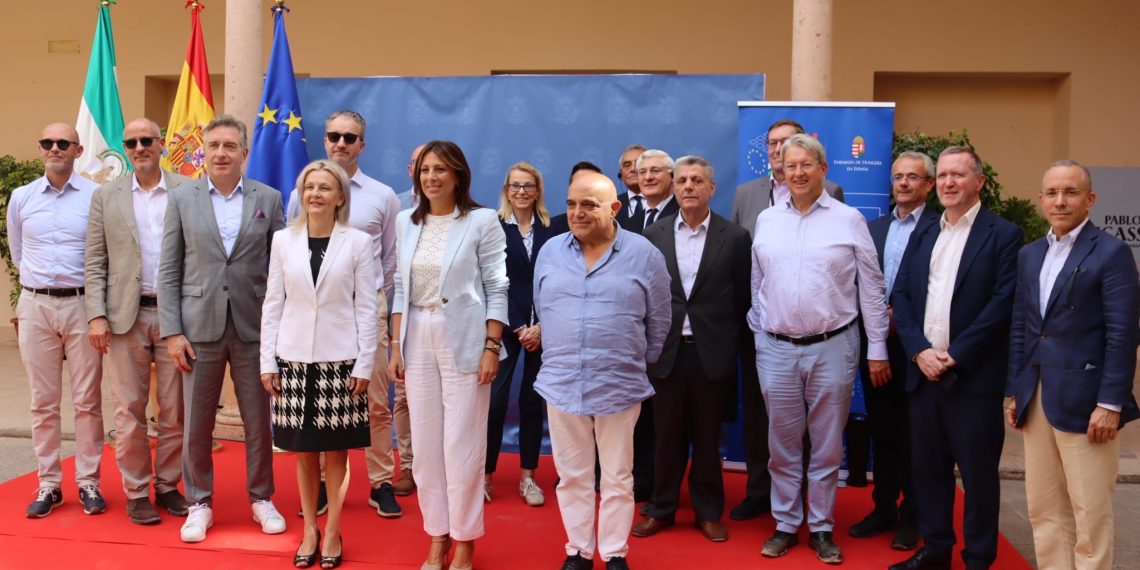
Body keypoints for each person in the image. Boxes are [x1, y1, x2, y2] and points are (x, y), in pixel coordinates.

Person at [749, 134, 889, 564]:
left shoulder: (849, 219)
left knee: (828, 445)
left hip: (833, 346)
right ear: (781, 171)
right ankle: (787, 523)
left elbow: (871, 284)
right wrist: (760, 327)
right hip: (775, 348)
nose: (798, 173)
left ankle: (823, 527)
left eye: (806, 165)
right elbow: (758, 281)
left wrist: (878, 346)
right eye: (790, 166)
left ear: (823, 169)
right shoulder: (768, 220)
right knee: (783, 443)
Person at [889, 146, 1022, 570]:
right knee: (928, 471)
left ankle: (979, 558)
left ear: (978, 183)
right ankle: (936, 551)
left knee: (979, 478)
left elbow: (1002, 303)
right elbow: (902, 296)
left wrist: (955, 355)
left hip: (973, 380)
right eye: (943, 175)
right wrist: (919, 351)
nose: (948, 182)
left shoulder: (1003, 234)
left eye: (958, 175)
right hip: (923, 375)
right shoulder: (924, 232)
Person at [158, 114, 287, 543]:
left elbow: (281, 268)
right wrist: (173, 331)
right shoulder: (182, 199)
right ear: (203, 152)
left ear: (244, 153)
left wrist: (279, 329)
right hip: (198, 329)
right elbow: (169, 270)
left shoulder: (268, 198)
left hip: (253, 327)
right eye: (213, 146)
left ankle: (261, 498)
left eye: (230, 146)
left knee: (257, 420)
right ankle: (199, 502)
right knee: (196, 423)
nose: (220, 153)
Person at [534, 171, 671, 570]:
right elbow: (544, 310)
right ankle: (578, 550)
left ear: (614, 209)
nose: (577, 213)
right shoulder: (551, 252)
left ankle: (613, 553)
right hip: (561, 383)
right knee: (572, 476)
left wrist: (632, 363)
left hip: (619, 385)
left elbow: (659, 320)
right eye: (572, 203)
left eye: (589, 205)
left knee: (617, 476)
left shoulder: (644, 254)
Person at [1007, 160, 1139, 570]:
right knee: (1043, 509)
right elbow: (1022, 328)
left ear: (1090, 200)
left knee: (1089, 514)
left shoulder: (1111, 252)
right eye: (1052, 193)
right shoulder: (1031, 255)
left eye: (1071, 192)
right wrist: (1014, 390)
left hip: (1088, 402)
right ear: (1041, 199)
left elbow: (1123, 332)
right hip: (1037, 394)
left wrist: (1111, 403)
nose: (1060, 201)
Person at [387, 140, 508, 570]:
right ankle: (436, 536)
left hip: (466, 338)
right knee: (424, 447)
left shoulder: (481, 220)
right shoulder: (405, 222)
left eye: (440, 169)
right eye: (424, 170)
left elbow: (497, 287)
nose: (431, 178)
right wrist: (395, 344)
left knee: (463, 446)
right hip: (415, 335)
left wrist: (491, 346)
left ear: (458, 174)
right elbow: (400, 287)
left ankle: (465, 540)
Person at [285, 110, 407, 516]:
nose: (341, 143)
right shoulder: (302, 191)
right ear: (325, 141)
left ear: (362, 145)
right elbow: (294, 250)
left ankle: (380, 481)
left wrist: (369, 294)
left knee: (374, 400)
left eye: (349, 137)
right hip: (317, 313)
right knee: (318, 399)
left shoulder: (382, 195)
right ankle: (320, 484)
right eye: (334, 135)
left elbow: (389, 257)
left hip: (367, 310)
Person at [262, 159, 378, 569]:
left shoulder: (359, 243)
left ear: (340, 197)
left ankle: (333, 530)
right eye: (310, 186)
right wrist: (267, 362)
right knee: (302, 451)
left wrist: (365, 364)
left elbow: (366, 308)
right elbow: (273, 303)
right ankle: (309, 528)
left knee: (335, 452)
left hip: (341, 360)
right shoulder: (282, 241)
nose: (316, 194)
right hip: (292, 358)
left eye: (325, 188)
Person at [634, 156, 751, 543]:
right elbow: (646, 297)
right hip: (666, 353)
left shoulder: (734, 238)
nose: (688, 186)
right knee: (665, 437)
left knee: (706, 438)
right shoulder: (655, 235)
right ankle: (661, 508)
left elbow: (743, 300)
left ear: (711, 188)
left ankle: (707, 511)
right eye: (682, 180)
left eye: (697, 180)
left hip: (711, 353)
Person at [85, 117, 192, 525]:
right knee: (128, 410)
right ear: (125, 149)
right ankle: (135, 491)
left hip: (175, 318)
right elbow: (94, 260)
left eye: (147, 140)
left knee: (174, 410)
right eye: (131, 142)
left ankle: (166, 486)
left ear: (162, 143)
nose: (139, 147)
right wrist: (96, 314)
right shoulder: (105, 196)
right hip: (123, 317)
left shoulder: (187, 189)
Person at [10, 122, 106, 518]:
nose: (54, 148)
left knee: (87, 401)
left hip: (82, 305)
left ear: (78, 150)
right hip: (36, 306)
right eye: (47, 142)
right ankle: (49, 483)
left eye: (62, 142)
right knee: (43, 402)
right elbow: (18, 253)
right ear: (41, 148)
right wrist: (35, 295)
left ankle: (88, 483)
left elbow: (104, 253)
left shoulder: (96, 197)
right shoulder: (22, 197)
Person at [847, 152, 938, 549]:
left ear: (929, 185)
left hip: (921, 347)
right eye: (898, 177)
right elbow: (858, 280)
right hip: (877, 345)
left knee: (916, 434)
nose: (903, 184)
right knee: (882, 429)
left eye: (912, 177)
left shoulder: (941, 228)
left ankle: (912, 514)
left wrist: (904, 318)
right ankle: (883, 506)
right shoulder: (874, 227)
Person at [485, 162, 557, 507]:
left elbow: (559, 279)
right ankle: (485, 476)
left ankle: (528, 477)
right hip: (506, 327)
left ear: (538, 190)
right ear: (506, 190)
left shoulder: (553, 228)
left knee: (532, 403)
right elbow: (491, 280)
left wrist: (540, 326)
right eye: (515, 186)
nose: (522, 192)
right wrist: (518, 325)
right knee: (495, 404)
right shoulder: (493, 227)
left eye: (528, 186)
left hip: (545, 330)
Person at [732, 118, 844, 238]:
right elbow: (736, 244)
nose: (778, 150)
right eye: (773, 143)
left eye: (785, 142)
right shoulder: (745, 193)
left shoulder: (830, 190)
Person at [549, 161, 602, 235]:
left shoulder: (613, 221)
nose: (583, 188)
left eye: (589, 183)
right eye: (578, 184)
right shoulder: (555, 228)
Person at [632, 150, 680, 232]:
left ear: (672, 176)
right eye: (642, 172)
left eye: (655, 170)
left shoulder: (684, 215)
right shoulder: (630, 222)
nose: (648, 177)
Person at [614, 145, 647, 231]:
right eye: (627, 165)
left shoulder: (663, 201)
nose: (633, 169)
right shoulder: (612, 205)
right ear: (621, 174)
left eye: (638, 164)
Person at [396, 143, 427, 211]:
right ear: (410, 170)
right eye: (418, 162)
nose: (423, 167)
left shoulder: (453, 203)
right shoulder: (394, 203)